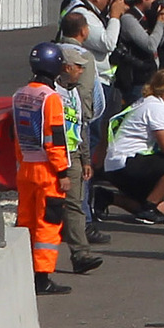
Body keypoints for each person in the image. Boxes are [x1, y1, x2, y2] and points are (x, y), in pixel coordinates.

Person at [101, 68, 164, 224]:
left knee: (161, 208)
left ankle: (105, 197)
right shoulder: (157, 108)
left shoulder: (146, 101)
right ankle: (148, 208)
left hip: (115, 164)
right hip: (127, 163)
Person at [12, 42, 75, 296]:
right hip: (47, 171)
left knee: (25, 221)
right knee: (47, 225)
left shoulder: (20, 94)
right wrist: (62, 172)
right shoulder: (51, 99)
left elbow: (15, 136)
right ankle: (42, 278)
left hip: (26, 167)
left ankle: (24, 272)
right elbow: (55, 139)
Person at [58, 12, 111, 245]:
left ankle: (63, 221)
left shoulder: (53, 50)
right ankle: (85, 224)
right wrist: (88, 117)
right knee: (80, 175)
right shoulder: (83, 57)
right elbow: (89, 93)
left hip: (56, 120)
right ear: (83, 31)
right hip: (76, 122)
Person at [53, 45, 103, 275]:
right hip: (53, 156)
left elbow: (80, 126)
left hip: (72, 155)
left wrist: (85, 159)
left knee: (74, 205)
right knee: (49, 207)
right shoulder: (51, 92)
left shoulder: (73, 92)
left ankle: (80, 254)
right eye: (78, 67)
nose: (82, 72)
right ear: (66, 67)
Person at [117, 0, 164, 101]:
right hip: (137, 78)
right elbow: (150, 46)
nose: (155, 1)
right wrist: (160, 21)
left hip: (150, 74)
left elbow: (158, 43)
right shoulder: (129, 19)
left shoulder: (146, 16)